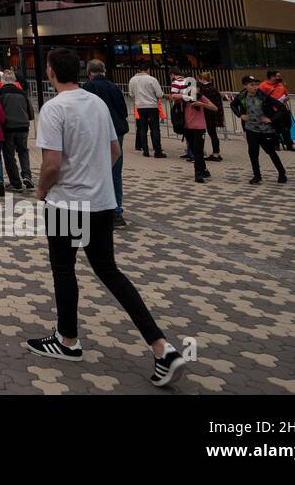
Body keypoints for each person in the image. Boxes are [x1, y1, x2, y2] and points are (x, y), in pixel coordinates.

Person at [26, 48, 187, 387]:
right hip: (101, 202)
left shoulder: (53, 108)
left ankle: (67, 340)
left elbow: (52, 163)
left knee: (63, 268)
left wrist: (41, 191)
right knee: (109, 271)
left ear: (51, 72)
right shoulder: (96, 103)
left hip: (67, 203)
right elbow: (114, 151)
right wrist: (95, 177)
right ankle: (161, 347)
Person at [80, 60, 130, 225]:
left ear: (88, 72)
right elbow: (123, 111)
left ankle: (97, 209)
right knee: (115, 172)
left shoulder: (87, 88)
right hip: (116, 132)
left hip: (95, 133)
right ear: (104, 70)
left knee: (94, 170)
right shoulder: (114, 87)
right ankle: (116, 211)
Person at [229, 76, 287, 184]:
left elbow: (282, 108)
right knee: (253, 153)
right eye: (252, 85)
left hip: (265, 130)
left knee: (271, 152)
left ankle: (282, 173)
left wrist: (271, 119)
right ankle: (257, 176)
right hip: (251, 129)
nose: (255, 87)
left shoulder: (263, 96)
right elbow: (233, 105)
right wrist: (240, 115)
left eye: (256, 85)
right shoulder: (242, 95)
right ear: (245, 86)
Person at [168, 75, 217, 183]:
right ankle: (204, 170)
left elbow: (215, 108)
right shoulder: (184, 98)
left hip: (199, 128)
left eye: (196, 88)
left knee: (198, 151)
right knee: (195, 151)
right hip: (187, 128)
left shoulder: (201, 97)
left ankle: (198, 174)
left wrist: (202, 104)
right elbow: (172, 96)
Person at [0, 70, 35, 192]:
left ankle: (15, 182)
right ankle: (27, 175)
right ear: (14, 80)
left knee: (9, 155)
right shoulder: (22, 93)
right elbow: (31, 112)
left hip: (8, 127)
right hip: (23, 126)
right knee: (23, 151)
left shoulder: (0, 93)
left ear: (2, 81)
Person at [127, 62, 165, 158]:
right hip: (152, 107)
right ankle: (157, 151)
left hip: (140, 107)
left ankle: (145, 150)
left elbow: (131, 94)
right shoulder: (152, 79)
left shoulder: (132, 80)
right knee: (155, 129)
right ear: (148, 69)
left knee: (142, 129)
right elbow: (159, 94)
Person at [260, 71, 295, 151]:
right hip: (272, 111)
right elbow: (260, 98)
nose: (280, 78)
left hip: (283, 109)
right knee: (275, 128)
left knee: (287, 127)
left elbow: (286, 93)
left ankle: (289, 145)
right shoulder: (263, 85)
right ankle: (276, 145)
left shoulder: (280, 85)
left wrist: (286, 98)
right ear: (271, 76)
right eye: (277, 76)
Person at [196, 74, 225, 162]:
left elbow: (204, 101)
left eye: (199, 79)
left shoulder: (205, 89)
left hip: (209, 114)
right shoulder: (213, 88)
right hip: (215, 114)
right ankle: (216, 153)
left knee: (212, 134)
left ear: (202, 79)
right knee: (213, 134)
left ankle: (215, 154)